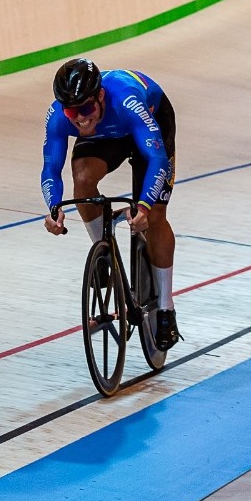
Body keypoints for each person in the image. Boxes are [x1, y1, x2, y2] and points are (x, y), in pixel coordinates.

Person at [41, 58, 181, 350]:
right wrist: (54, 208)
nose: (80, 119)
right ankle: (103, 254)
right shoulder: (59, 116)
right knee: (82, 180)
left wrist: (143, 205)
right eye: (72, 111)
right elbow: (51, 167)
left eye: (87, 108)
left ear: (100, 96)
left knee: (154, 216)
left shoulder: (127, 101)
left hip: (148, 125)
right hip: (108, 134)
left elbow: (156, 160)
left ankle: (166, 307)